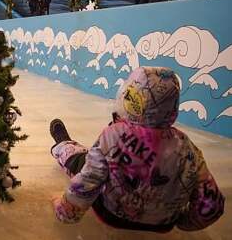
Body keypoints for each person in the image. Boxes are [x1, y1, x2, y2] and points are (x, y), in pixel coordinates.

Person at [49, 67, 224, 232]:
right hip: (162, 225)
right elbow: (211, 204)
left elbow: (87, 182)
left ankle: (63, 144)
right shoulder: (186, 147)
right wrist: (183, 222)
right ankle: (69, 145)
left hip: (112, 215)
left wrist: (64, 211)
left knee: (82, 161)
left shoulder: (113, 135)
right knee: (98, 157)